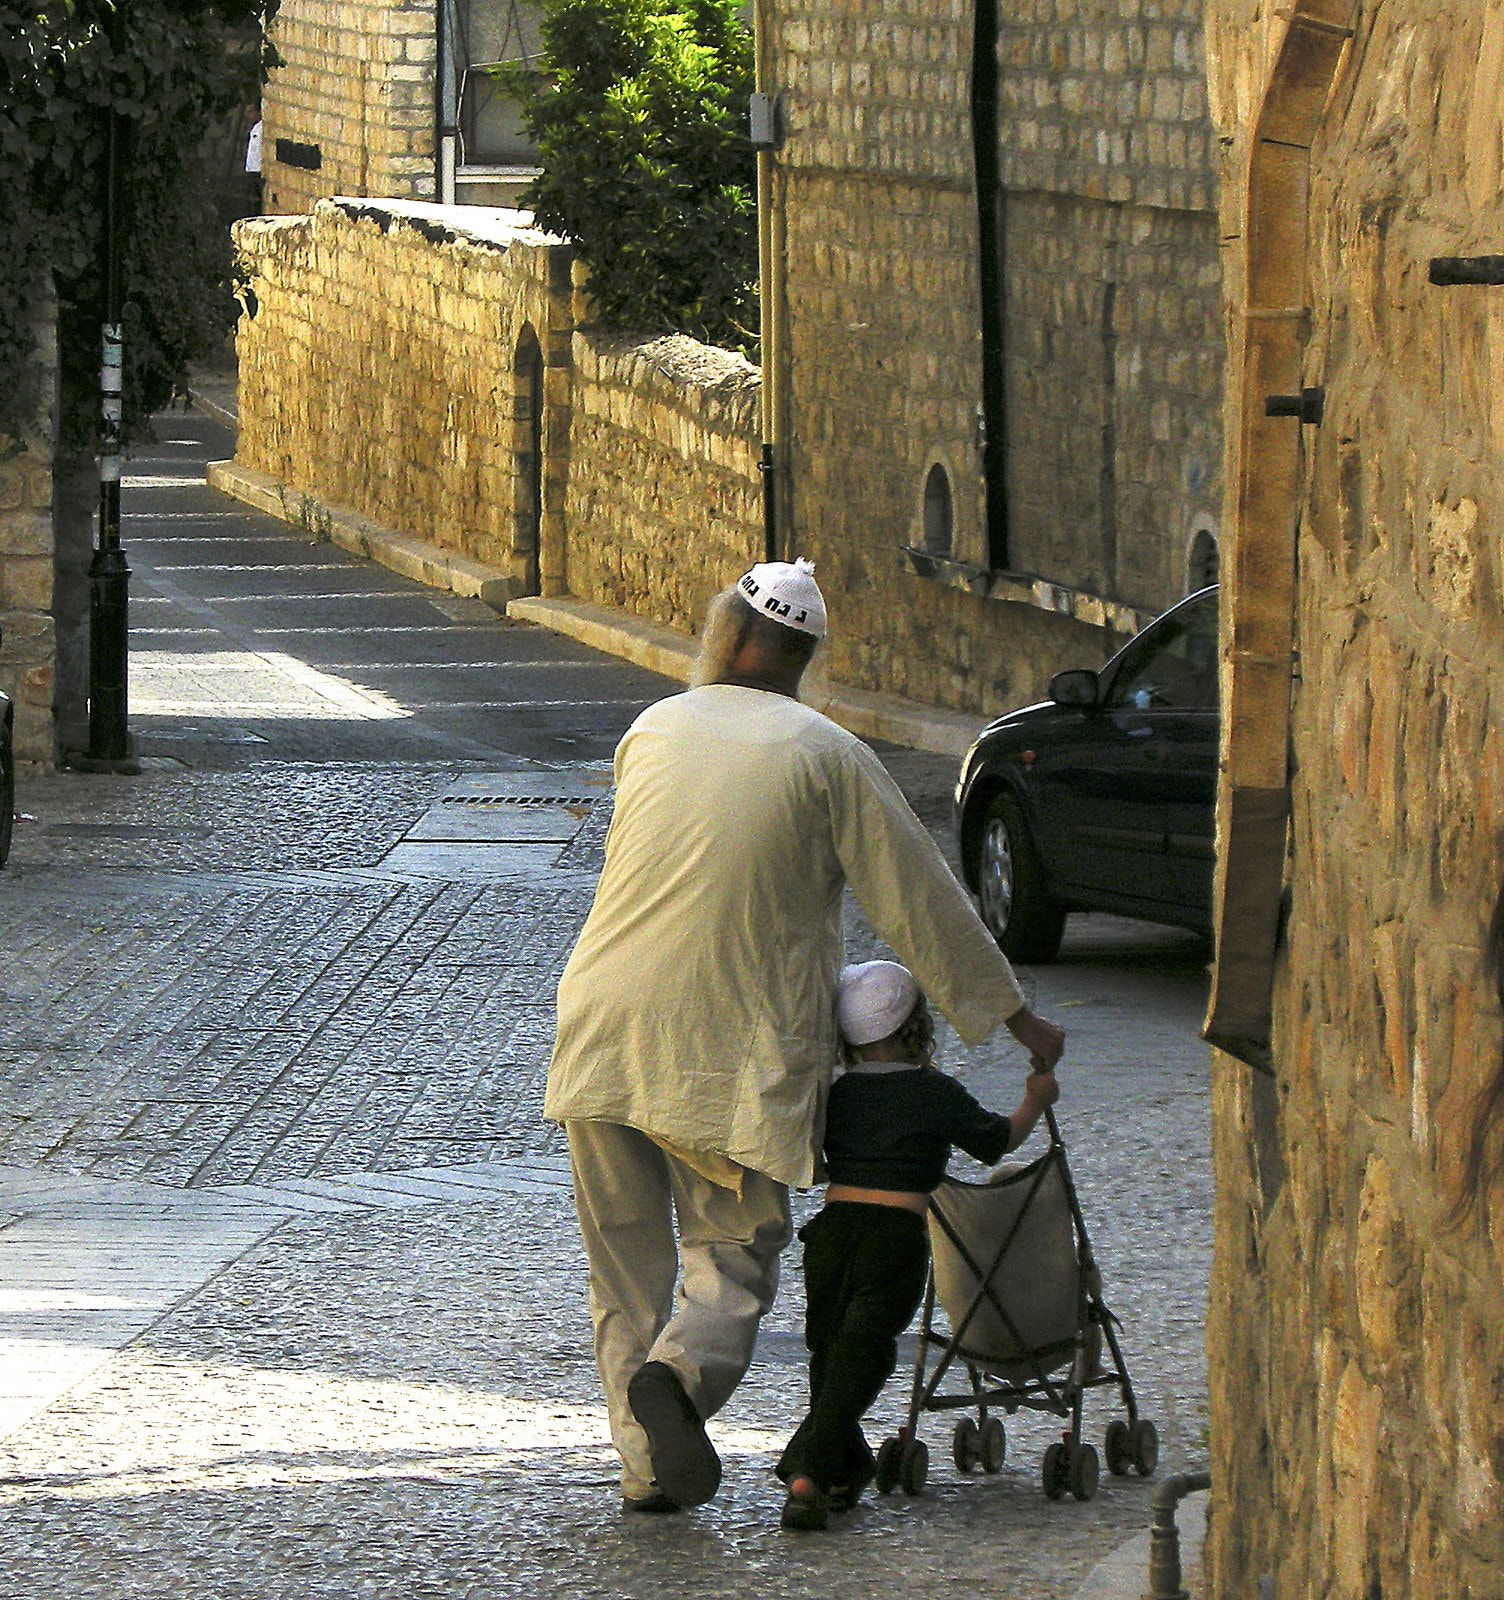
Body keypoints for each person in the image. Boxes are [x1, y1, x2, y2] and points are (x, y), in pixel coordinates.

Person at [544, 558, 1065, 1515]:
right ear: (797, 657)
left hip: (599, 1026)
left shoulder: (651, 729)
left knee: (623, 1270)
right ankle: (680, 1384)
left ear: (727, 637)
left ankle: (646, 1466)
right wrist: (1013, 1016)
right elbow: (918, 900)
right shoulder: (825, 753)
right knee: (732, 1254)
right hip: (725, 1046)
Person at [776, 959, 1060, 1531]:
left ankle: (841, 1468)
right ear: (916, 1029)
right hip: (893, 1236)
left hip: (830, 1235)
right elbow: (997, 1140)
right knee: (866, 1353)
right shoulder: (933, 1092)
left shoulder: (838, 1093)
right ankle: (804, 1472)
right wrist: (1037, 1097)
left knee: (832, 1354)